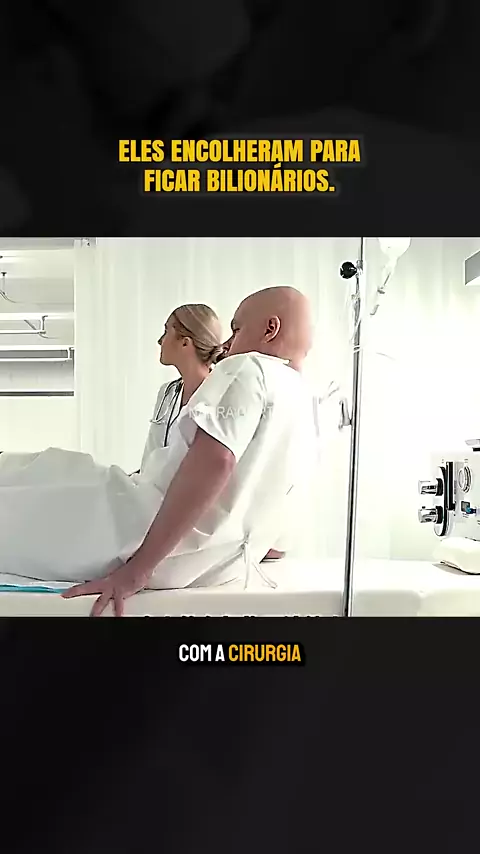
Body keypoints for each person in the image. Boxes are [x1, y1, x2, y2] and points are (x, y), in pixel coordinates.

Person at [0, 286, 317, 615]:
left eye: (236, 329)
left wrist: (138, 570)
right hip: (208, 564)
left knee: (41, 471)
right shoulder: (302, 402)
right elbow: (276, 536)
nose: (227, 344)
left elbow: (215, 461)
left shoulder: (248, 368)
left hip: (136, 530)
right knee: (44, 475)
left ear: (270, 329)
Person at [140, 303, 225, 473]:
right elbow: (150, 458)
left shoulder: (221, 397)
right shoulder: (168, 393)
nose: (160, 341)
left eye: (166, 331)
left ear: (185, 343)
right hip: (151, 486)